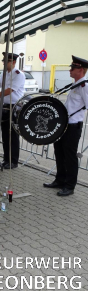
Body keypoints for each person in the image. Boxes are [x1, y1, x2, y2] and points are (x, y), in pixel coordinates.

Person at [44, 55, 88, 196]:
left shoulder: (84, 85)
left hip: (73, 127)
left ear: (80, 70)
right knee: (59, 152)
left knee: (70, 156)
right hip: (64, 125)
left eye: (73, 68)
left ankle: (70, 186)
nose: (70, 70)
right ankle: (60, 180)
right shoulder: (76, 84)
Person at [0, 52, 25, 169]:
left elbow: (8, 91)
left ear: (13, 62)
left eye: (6, 61)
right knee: (5, 135)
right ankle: (7, 159)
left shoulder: (18, 74)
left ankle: (13, 161)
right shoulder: (4, 74)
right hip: (5, 105)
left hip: (14, 106)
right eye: (3, 61)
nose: (3, 63)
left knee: (12, 135)